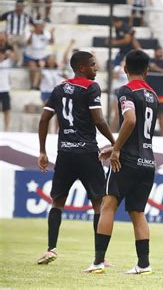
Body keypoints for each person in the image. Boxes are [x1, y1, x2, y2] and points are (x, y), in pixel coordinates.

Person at [36, 51, 115, 265]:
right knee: (99, 203)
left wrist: (42, 150)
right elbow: (98, 120)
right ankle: (101, 257)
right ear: (82, 67)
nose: (96, 68)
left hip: (65, 153)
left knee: (57, 202)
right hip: (88, 153)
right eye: (92, 65)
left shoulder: (59, 88)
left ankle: (51, 249)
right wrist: (115, 142)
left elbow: (44, 120)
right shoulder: (91, 87)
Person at [85, 50, 158, 274]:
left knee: (108, 205)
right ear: (147, 70)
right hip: (148, 161)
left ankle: (98, 262)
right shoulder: (153, 95)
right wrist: (115, 146)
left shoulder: (126, 91)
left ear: (125, 69)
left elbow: (131, 119)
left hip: (127, 160)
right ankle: (143, 264)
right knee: (137, 212)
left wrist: (116, 149)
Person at [1, 0, 34, 65]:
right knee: (14, 44)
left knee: (26, 43)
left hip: (21, 36)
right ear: (16, 6)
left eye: (22, 6)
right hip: (11, 35)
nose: (20, 8)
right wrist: (3, 33)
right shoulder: (8, 14)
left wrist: (30, 32)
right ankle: (19, 62)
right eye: (19, 6)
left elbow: (34, 25)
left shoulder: (26, 16)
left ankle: (21, 61)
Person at [24, 22, 54, 89]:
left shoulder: (46, 33)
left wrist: (52, 34)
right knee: (32, 68)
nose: (40, 28)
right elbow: (29, 43)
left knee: (41, 68)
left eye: (41, 26)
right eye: (38, 26)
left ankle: (38, 86)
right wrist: (32, 34)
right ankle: (32, 85)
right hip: (30, 56)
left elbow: (51, 42)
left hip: (41, 56)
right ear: (35, 27)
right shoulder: (29, 33)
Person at [0, 49, 17, 131]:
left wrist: (10, 53)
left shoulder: (7, 63)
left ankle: (6, 128)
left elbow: (16, 59)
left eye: (1, 54)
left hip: (4, 89)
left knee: (7, 110)